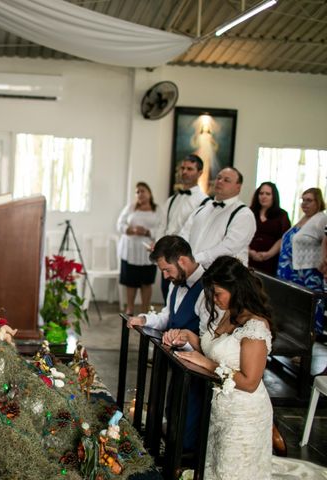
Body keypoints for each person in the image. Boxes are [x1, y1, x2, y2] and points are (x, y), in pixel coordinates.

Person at [164, 256, 274, 479]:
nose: (214, 300)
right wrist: (189, 337)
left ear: (236, 288)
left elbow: (250, 382)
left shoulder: (255, 326)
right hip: (221, 407)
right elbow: (218, 349)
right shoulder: (226, 313)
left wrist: (206, 363)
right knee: (215, 466)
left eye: (218, 293)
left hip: (244, 414)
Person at [127, 235, 213, 451]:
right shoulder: (177, 283)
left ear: (182, 261)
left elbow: (211, 340)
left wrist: (183, 341)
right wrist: (144, 319)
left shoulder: (207, 290)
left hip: (197, 373)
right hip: (176, 366)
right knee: (172, 414)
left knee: (188, 426)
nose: (165, 276)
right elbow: (168, 316)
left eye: (166, 270)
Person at [180, 167, 256, 269]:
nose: (220, 181)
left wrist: (195, 259)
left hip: (223, 278)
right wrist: (182, 255)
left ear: (238, 187)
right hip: (192, 271)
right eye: (218, 178)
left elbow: (229, 247)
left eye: (226, 180)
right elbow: (185, 233)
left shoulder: (243, 214)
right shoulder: (202, 209)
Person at [276, 187, 327, 335]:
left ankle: (307, 343)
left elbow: (325, 240)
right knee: (292, 309)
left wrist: (324, 259)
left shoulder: (320, 218)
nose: (304, 203)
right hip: (290, 270)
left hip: (307, 272)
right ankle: (293, 341)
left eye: (309, 200)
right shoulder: (303, 218)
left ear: (318, 202)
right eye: (303, 200)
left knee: (309, 309)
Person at [158, 155, 207, 299]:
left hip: (183, 259)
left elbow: (196, 232)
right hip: (166, 257)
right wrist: (159, 245)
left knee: (182, 298)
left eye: (190, 169)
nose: (185, 172)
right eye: (183, 168)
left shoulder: (204, 201)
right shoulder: (172, 199)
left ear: (199, 173)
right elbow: (163, 225)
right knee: (166, 294)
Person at [116, 182, 162, 315]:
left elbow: (162, 227)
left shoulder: (157, 209)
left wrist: (148, 232)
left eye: (143, 191)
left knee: (146, 282)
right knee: (130, 282)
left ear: (149, 192)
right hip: (130, 250)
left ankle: (144, 309)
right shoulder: (131, 207)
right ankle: (129, 307)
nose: (140, 194)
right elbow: (120, 224)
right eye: (137, 192)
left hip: (148, 250)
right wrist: (130, 229)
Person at [248, 182, 291, 276]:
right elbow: (242, 234)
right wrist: (250, 252)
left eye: (268, 194)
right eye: (261, 193)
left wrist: (268, 254)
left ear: (274, 196)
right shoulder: (249, 212)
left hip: (270, 260)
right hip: (248, 257)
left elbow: (283, 238)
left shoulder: (282, 215)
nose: (264, 196)